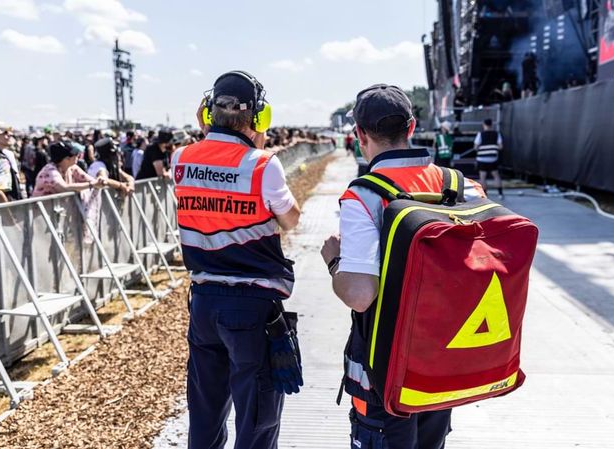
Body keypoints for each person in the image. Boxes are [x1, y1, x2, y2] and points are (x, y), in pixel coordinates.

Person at [319, 84, 484, 449]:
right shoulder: (463, 186)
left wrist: (334, 260)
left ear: (359, 134)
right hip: (443, 363)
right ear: (411, 127)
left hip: (385, 372)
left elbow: (361, 296)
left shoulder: (365, 194)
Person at [177, 71, 301, 449]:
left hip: (203, 302)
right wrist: (256, 145)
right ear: (259, 117)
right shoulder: (263, 165)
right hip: (252, 306)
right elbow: (291, 218)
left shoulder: (181, 159)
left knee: (205, 413)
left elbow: (209, 159)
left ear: (207, 112)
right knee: (257, 419)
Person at [32, 141, 106, 197]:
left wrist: (100, 180)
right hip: (39, 214)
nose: (78, 156)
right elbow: (64, 188)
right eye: (75, 155)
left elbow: (91, 180)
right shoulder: (49, 171)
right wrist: (91, 185)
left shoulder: (72, 167)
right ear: (66, 159)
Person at [474, 118, 504, 198]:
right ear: (491, 125)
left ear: (484, 125)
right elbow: (501, 147)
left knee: (482, 177)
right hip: (492, 159)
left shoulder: (480, 134)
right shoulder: (497, 134)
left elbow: (476, 147)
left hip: (482, 159)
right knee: (496, 175)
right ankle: (500, 194)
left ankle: (485, 195)